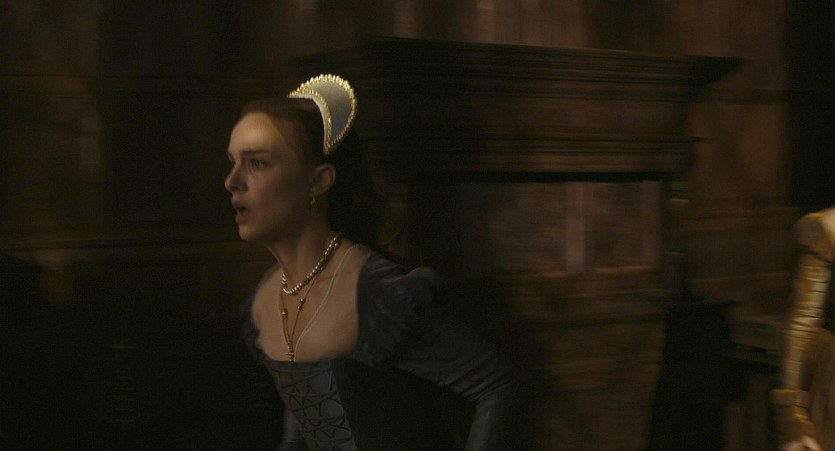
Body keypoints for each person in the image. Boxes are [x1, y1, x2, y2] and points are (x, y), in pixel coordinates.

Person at [225, 74, 528, 450]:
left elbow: (498, 387)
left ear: (318, 181)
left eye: (257, 163)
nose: (232, 181)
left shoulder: (374, 295)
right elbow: (305, 421)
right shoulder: (269, 298)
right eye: (233, 162)